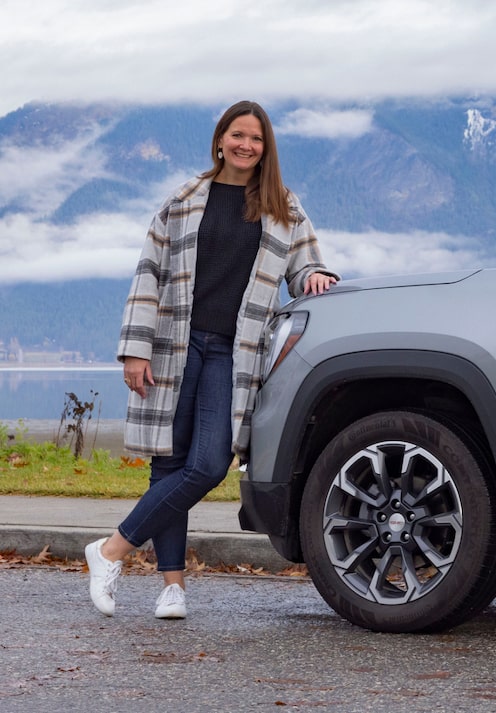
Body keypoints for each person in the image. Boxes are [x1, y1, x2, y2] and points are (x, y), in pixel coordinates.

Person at [85, 100, 338, 619]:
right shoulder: (182, 202)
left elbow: (305, 264)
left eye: (257, 138)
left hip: (232, 352)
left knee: (208, 464)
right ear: (221, 138)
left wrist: (314, 276)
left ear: (266, 148)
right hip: (173, 346)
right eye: (238, 135)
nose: (247, 145)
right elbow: (147, 276)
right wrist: (135, 349)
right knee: (169, 464)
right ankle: (172, 588)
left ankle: (110, 548)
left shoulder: (283, 206)